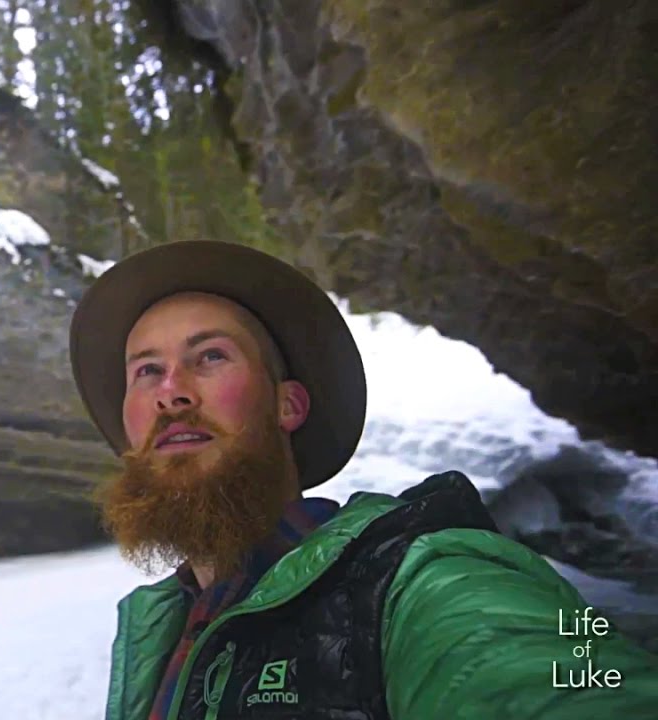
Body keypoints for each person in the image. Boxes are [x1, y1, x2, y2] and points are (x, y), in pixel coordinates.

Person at [68, 240, 658, 720]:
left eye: (211, 356)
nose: (170, 390)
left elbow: (545, 674)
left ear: (288, 406)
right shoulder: (157, 629)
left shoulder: (414, 579)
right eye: (147, 370)